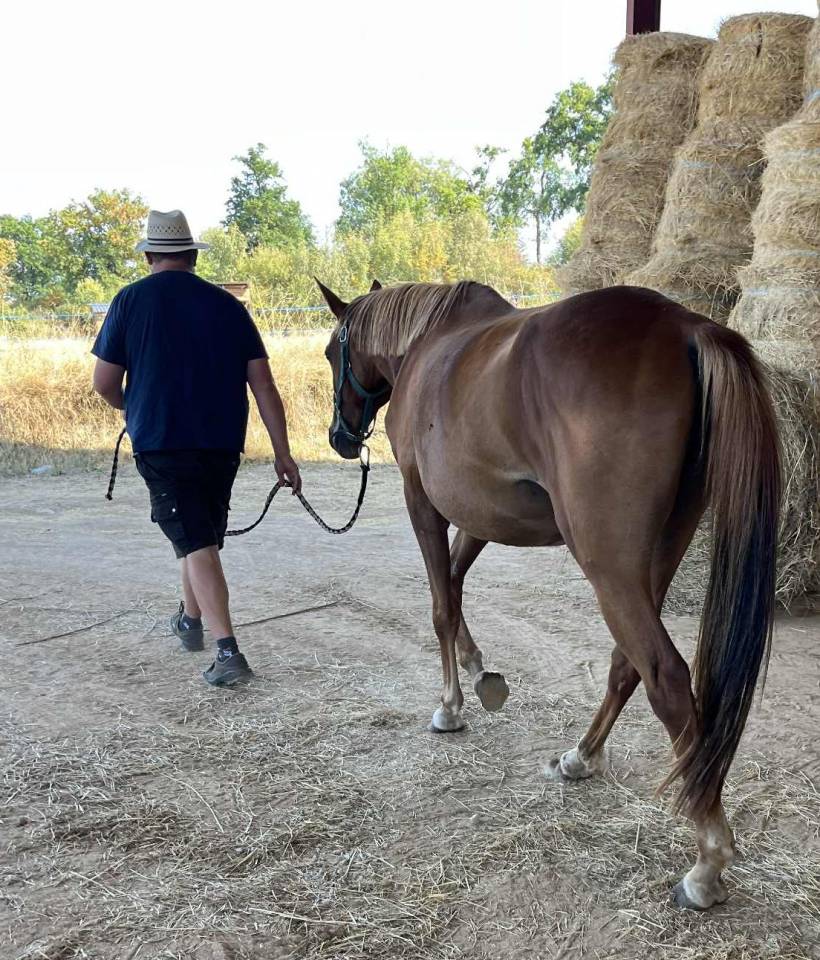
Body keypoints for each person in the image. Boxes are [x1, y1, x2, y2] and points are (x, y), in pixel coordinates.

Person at [91, 209, 301, 686]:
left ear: (149, 256)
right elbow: (264, 386)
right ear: (192, 256)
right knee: (197, 534)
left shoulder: (130, 301)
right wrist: (283, 453)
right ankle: (189, 621)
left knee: (197, 539)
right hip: (222, 443)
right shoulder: (229, 307)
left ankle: (228, 651)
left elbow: (103, 382)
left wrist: (131, 407)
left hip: (162, 441)